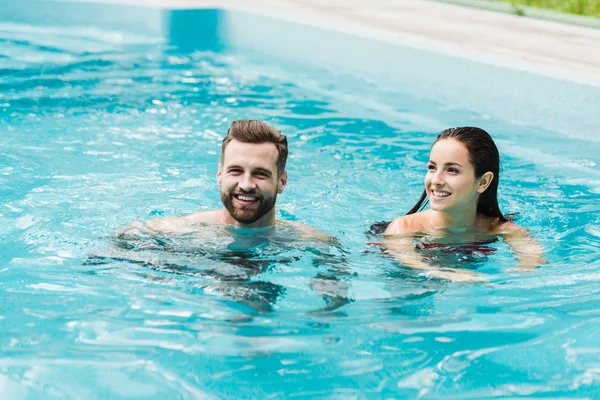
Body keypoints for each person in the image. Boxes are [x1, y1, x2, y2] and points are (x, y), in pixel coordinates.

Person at [111, 119, 350, 313]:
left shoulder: (312, 241)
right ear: (219, 175)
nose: (246, 185)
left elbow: (335, 298)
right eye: (236, 171)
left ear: (282, 181)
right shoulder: (181, 229)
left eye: (260, 174)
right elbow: (118, 245)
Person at [383, 126, 545, 282]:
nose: (436, 180)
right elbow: (404, 258)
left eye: (452, 170)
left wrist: (515, 275)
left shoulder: (501, 229)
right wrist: (449, 274)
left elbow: (533, 261)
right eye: (432, 167)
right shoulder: (405, 228)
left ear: (483, 182)